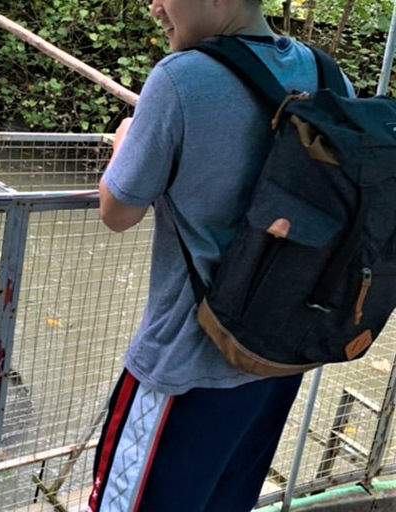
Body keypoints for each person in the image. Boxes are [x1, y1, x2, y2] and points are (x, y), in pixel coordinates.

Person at [89, 0, 354, 511]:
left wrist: (125, 141)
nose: (154, 6)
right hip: (276, 360)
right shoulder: (328, 74)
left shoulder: (180, 78)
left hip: (186, 369)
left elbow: (117, 213)